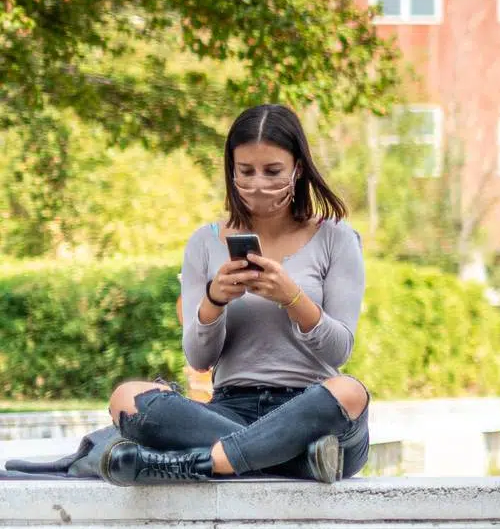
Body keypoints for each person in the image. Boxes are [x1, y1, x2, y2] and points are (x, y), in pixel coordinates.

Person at [99, 104, 371, 485]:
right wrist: (214, 302)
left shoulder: (337, 238)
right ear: (232, 170)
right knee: (127, 397)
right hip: (229, 412)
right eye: (246, 171)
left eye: (272, 171)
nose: (258, 183)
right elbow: (198, 357)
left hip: (310, 411)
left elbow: (338, 351)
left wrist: (292, 297)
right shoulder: (204, 242)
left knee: (349, 391)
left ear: (298, 168)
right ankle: (294, 461)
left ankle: (204, 462)